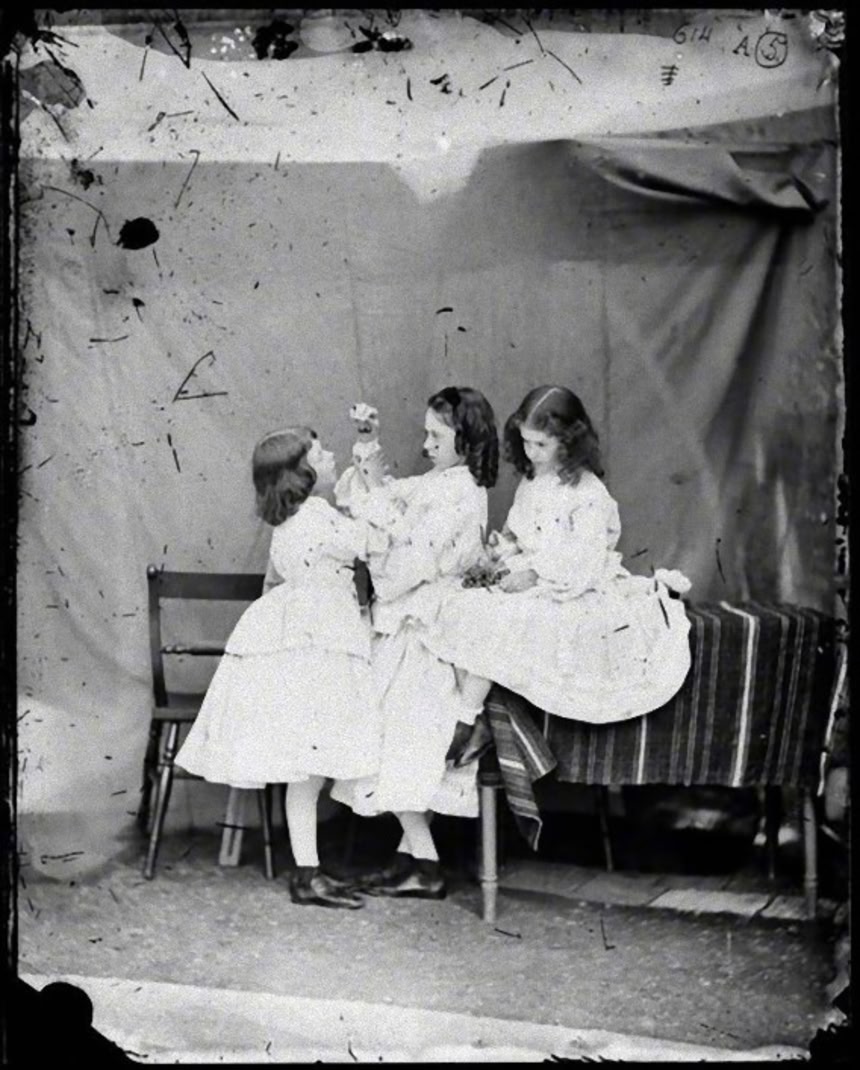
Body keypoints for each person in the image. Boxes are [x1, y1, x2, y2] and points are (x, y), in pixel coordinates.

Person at [176, 427, 383, 909]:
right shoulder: (317, 514)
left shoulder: (291, 520)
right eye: (320, 452)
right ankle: (306, 874)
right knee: (308, 769)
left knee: (305, 771)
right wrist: (370, 482)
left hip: (302, 636)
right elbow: (371, 542)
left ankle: (308, 870)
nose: (329, 455)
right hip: (317, 642)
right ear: (300, 471)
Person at [420, 385, 693, 727]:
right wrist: (502, 549)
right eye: (526, 442)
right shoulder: (535, 479)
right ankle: (472, 715)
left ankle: (468, 719)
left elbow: (583, 559)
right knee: (461, 604)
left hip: (570, 585)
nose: (532, 453)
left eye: (541, 445)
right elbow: (521, 532)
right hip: (530, 572)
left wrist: (534, 575)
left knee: (501, 619)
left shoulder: (588, 493)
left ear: (568, 442)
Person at [330, 387, 499, 899]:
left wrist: (380, 544)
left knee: (399, 749)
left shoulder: (460, 493)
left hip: (426, 634)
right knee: (399, 748)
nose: (425, 445)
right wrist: (368, 446)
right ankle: (410, 860)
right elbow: (377, 497)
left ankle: (426, 867)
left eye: (436, 436)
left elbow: (405, 569)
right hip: (411, 626)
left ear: (465, 440)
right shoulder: (439, 483)